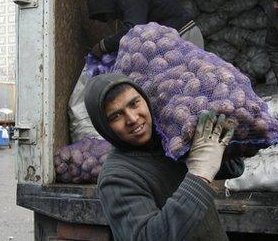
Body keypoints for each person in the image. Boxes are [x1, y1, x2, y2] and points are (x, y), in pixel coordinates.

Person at [84, 73, 243, 240]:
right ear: (104, 127)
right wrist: (200, 174)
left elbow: (234, 169)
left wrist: (222, 141)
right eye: (116, 116)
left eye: (134, 103)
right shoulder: (116, 178)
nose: (132, 118)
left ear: (145, 100)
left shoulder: (170, 141)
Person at [87, 0, 204, 58]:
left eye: (108, 15)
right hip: (176, 37)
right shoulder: (127, 1)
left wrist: (103, 46)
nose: (111, 19)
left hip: (184, 33)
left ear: (107, 4)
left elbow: (133, 31)